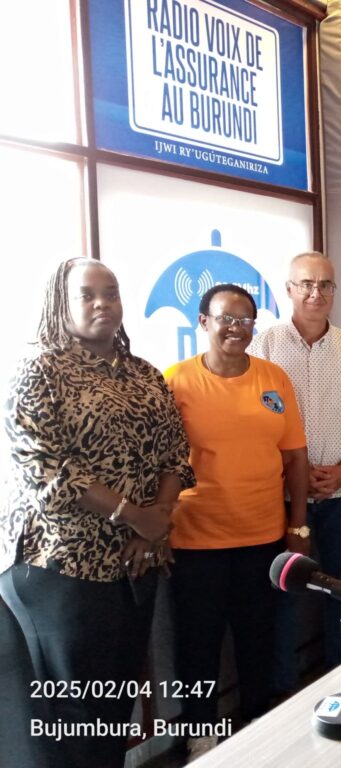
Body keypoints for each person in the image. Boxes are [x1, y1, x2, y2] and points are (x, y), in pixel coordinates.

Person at [1, 258, 193, 768]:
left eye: (110, 292)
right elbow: (46, 471)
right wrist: (136, 515)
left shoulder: (145, 374)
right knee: (71, 717)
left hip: (136, 562)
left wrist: (157, 520)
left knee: (113, 706)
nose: (101, 303)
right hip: (62, 567)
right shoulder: (39, 371)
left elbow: (176, 455)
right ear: (60, 304)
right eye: (86, 295)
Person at [165, 284, 309, 762]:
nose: (236, 328)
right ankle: (201, 735)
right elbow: (158, 461)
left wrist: (299, 525)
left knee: (257, 636)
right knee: (198, 644)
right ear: (203, 322)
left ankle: (257, 721)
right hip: (195, 537)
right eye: (225, 318)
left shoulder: (274, 379)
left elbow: (295, 457)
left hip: (262, 535)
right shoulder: (175, 381)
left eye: (246, 320)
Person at [248, 252, 341, 677]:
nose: (316, 293)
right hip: (283, 494)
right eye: (306, 284)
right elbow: (250, 418)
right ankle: (284, 687)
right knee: (285, 587)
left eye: (325, 285)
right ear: (288, 289)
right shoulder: (263, 346)